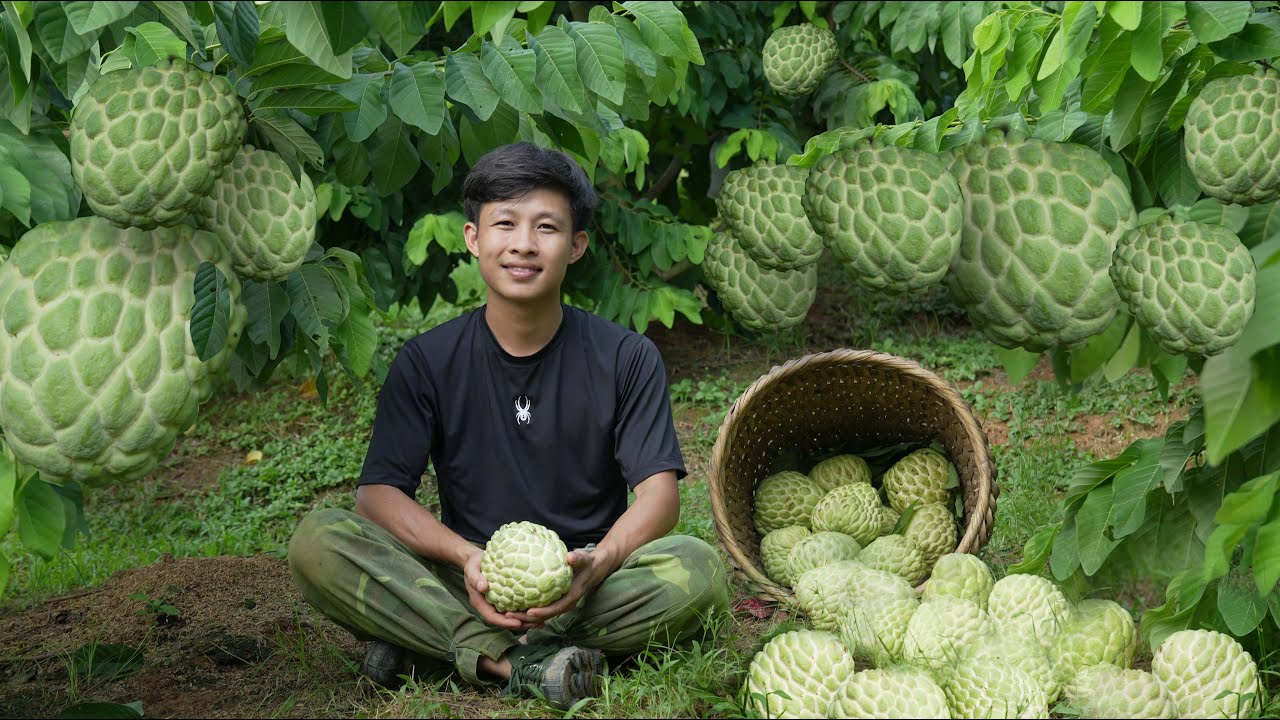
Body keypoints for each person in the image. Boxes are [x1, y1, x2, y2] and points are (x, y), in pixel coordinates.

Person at [287, 142, 730, 710]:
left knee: (698, 568)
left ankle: (437, 646)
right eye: (505, 223)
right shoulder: (427, 362)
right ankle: (516, 662)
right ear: (474, 238)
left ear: (576, 246)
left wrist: (596, 565)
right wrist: (466, 559)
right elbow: (377, 496)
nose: (523, 243)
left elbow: (660, 498)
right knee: (318, 540)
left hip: (586, 585)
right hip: (466, 582)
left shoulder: (626, 357)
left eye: (546, 227)